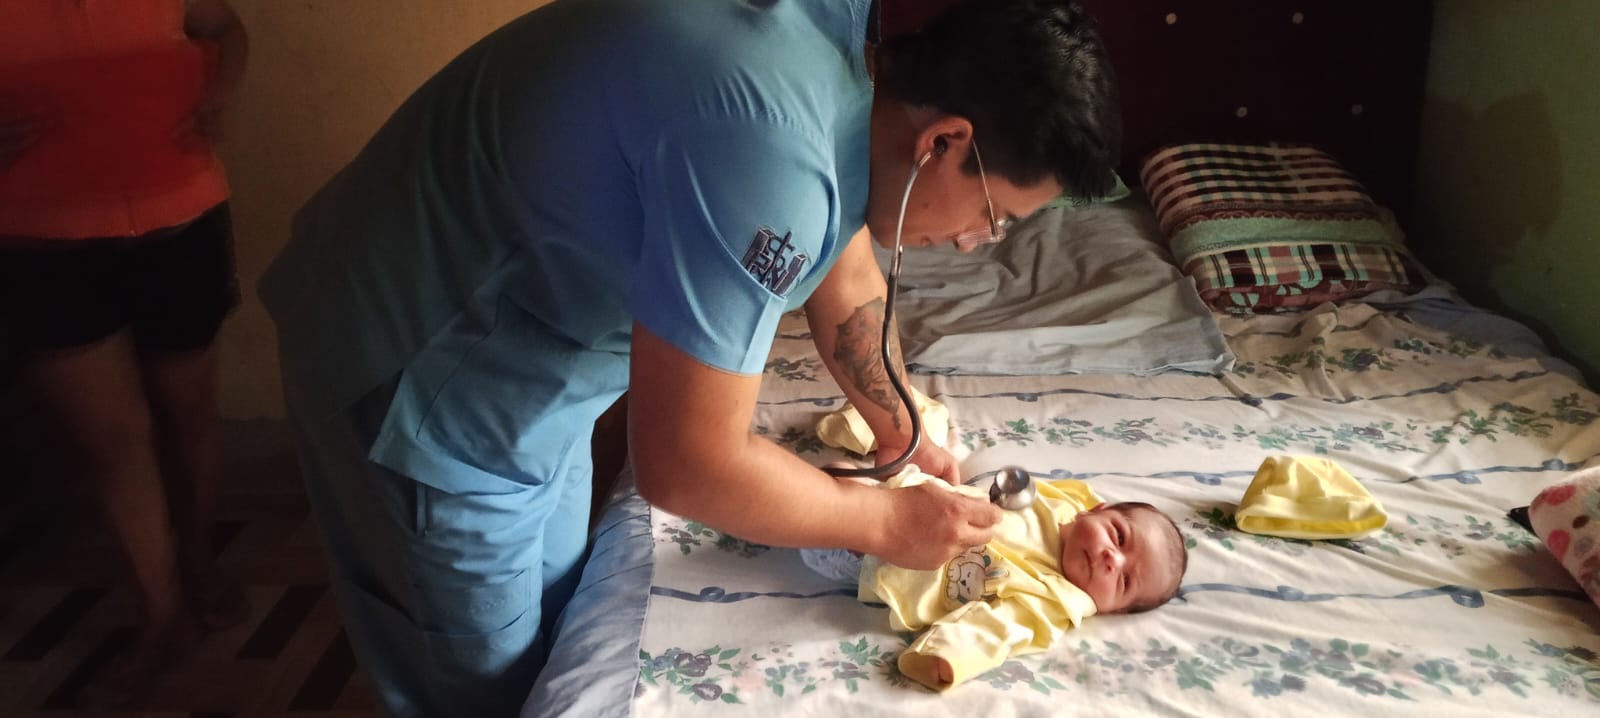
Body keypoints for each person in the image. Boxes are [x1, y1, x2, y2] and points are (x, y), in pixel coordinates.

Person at [257, 0, 1120, 714]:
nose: (974, 242)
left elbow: (844, 262)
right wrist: (885, 523)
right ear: (944, 142)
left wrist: (904, 429)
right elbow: (687, 465)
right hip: (424, 367)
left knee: (553, 634)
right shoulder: (767, 155)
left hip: (531, 354)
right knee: (483, 686)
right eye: (994, 217)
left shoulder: (849, 61)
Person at [0, 0, 250, 704]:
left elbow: (226, 27)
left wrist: (219, 92)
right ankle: (163, 617)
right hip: (43, 243)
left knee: (187, 421)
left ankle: (196, 560)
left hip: (181, 225)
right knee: (112, 444)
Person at [802, 466, 1188, 691]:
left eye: (1124, 581)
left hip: (888, 565)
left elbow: (997, 630)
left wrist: (949, 656)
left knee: (817, 525)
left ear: (1111, 609)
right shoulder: (1058, 505)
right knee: (838, 476)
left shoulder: (1051, 602)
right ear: (1095, 510)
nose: (1111, 559)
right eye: (1119, 537)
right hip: (905, 499)